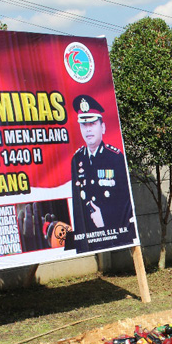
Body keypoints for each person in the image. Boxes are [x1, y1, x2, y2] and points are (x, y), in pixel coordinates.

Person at [69, 94, 136, 253]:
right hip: (89, 237)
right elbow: (77, 207)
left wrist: (104, 216)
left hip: (113, 233)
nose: (88, 129)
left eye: (92, 123)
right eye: (84, 125)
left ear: (102, 127)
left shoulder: (115, 157)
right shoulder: (76, 159)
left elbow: (126, 201)